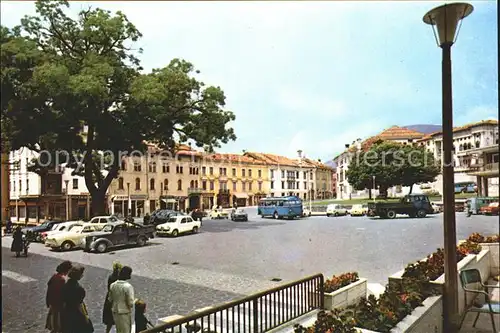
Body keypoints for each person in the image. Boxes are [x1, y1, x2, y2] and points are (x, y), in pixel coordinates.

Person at [61, 265, 94, 333]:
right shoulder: (79, 289)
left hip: (66, 313)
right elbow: (79, 305)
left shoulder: (65, 286)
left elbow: (63, 302)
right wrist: (86, 317)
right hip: (76, 314)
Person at [46, 261, 73, 333]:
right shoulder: (62, 280)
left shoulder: (54, 277)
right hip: (58, 306)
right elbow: (62, 295)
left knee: (54, 326)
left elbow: (49, 291)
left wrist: (48, 302)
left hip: (53, 304)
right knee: (58, 326)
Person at [108, 266, 135, 333]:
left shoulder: (112, 285)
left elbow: (110, 299)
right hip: (124, 312)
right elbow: (130, 303)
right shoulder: (128, 287)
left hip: (115, 311)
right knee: (125, 330)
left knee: (119, 330)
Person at [103, 262, 123, 333]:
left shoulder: (110, 276)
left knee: (110, 318)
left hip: (110, 298)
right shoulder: (118, 279)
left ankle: (107, 331)